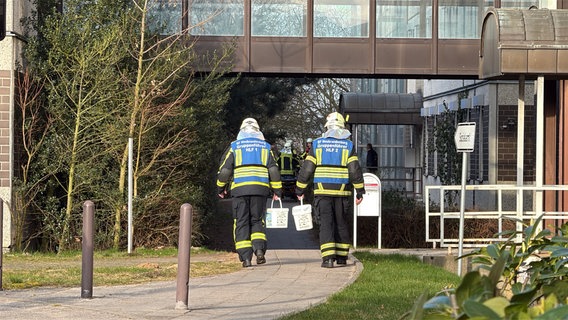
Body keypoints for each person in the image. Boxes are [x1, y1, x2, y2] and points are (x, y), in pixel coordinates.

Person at [295, 112, 365, 268]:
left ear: (327, 127)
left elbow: (307, 169)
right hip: (342, 192)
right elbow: (354, 170)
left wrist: (299, 189)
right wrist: (360, 190)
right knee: (341, 223)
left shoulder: (317, 144)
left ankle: (327, 259)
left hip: (322, 192)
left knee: (326, 224)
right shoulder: (348, 146)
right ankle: (341, 257)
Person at [216, 118, 282, 267]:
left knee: (241, 222)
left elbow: (225, 170)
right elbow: (273, 170)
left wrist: (221, 188)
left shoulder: (235, 146)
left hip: (239, 190)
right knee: (257, 220)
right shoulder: (265, 147)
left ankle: (246, 258)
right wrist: (277, 190)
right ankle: (259, 250)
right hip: (260, 189)